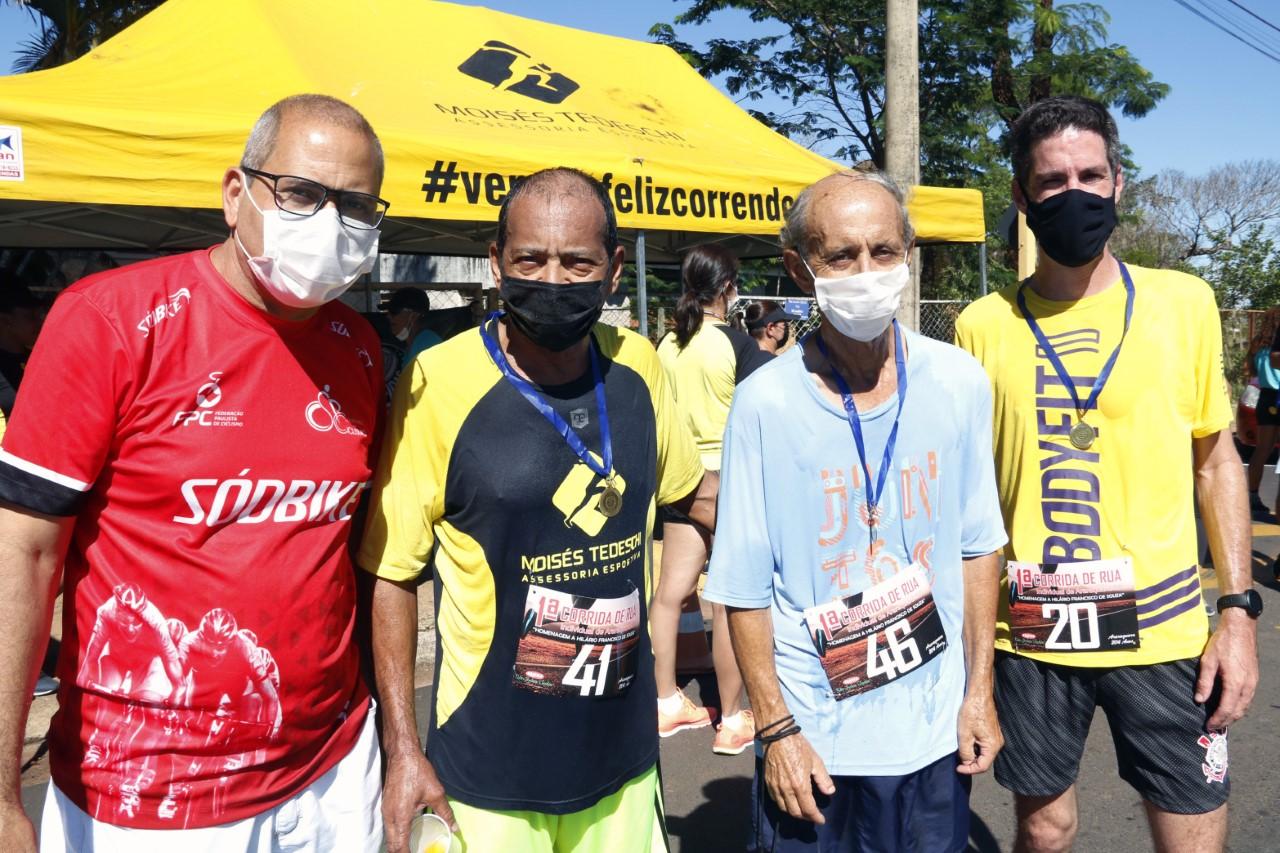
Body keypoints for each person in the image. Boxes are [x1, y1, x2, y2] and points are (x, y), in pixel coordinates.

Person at [0, 93, 389, 851]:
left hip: (335, 768)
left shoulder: (359, 346)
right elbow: (22, 552)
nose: (329, 223)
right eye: (303, 194)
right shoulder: (109, 320)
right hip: (151, 792)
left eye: (356, 205)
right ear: (236, 194)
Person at [360, 167, 718, 853]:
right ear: (497, 264)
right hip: (487, 774)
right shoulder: (437, 382)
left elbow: (694, 496)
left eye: (577, 261)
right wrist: (402, 745)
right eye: (530, 259)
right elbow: (392, 572)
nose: (552, 280)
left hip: (621, 763)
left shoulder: (639, 366)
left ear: (614, 269)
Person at [955, 95, 1258, 853]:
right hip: (1032, 637)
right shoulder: (979, 326)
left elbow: (1215, 459)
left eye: (1091, 174)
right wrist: (975, 674)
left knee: (1190, 834)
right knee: (1045, 829)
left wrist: (1238, 612)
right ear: (1022, 199)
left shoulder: (1184, 303)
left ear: (1119, 183)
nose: (1075, 193)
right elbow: (972, 504)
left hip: (1162, 635)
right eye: (1052, 181)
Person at [705, 170, 1007, 851]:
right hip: (817, 741)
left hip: (933, 737)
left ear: (907, 253)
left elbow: (978, 544)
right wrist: (777, 729)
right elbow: (743, 590)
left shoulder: (959, 382)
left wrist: (979, 689)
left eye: (884, 250)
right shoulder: (765, 403)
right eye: (841, 255)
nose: (866, 271)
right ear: (799, 268)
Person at [653, 245, 771, 753]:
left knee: (668, 594)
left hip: (677, 479)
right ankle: (733, 717)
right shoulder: (736, 345)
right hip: (727, 483)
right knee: (727, 601)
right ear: (727, 288)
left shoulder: (666, 343)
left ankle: (665, 702)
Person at [1245, 308, 1280, 515]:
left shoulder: (1258, 346)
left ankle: (1252, 494)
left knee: (1262, 449)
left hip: (1266, 398)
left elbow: (1252, 371)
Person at [385, 287, 443, 366]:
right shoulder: (415, 344)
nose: (388, 316)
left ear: (413, 316)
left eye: (394, 311)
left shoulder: (427, 344)